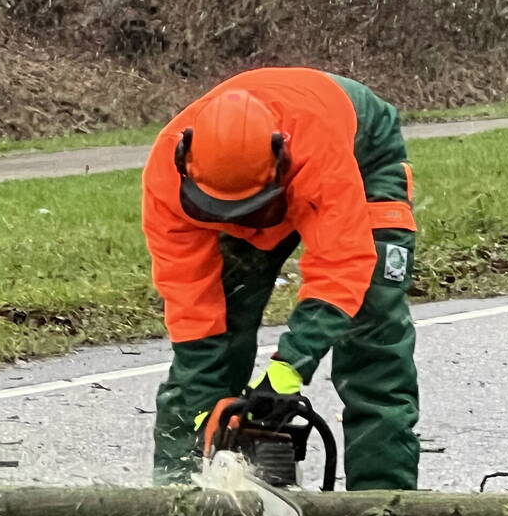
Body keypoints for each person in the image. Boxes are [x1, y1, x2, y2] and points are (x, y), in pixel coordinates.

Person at [141, 67, 419, 490]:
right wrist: (205, 406)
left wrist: (288, 369)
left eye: (248, 207)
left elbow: (342, 266)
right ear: (186, 162)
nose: (242, 219)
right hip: (262, 181)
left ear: (279, 159)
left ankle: (383, 506)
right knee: (213, 347)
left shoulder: (316, 150)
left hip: (363, 159)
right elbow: (192, 304)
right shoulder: (165, 178)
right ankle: (178, 495)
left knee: (372, 334)